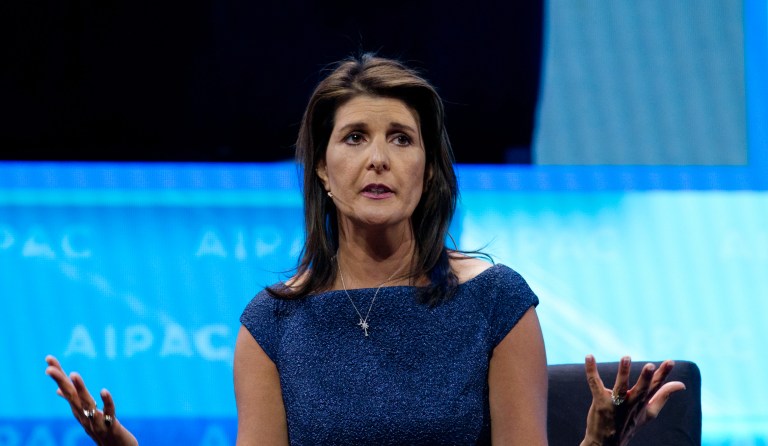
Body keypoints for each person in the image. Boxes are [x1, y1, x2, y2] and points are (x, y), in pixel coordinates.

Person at [45, 54, 685, 445]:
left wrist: (597, 444)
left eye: (401, 139)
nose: (378, 158)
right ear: (321, 170)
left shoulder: (496, 302)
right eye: (354, 137)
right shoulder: (271, 326)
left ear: (429, 171)